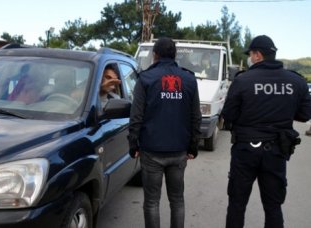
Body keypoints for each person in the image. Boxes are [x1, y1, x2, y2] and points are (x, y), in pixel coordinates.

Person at [221, 35, 311, 228]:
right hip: (277, 151)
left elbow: (228, 115)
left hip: (245, 150)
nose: (250, 58)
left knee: (237, 204)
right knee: (273, 207)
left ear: (258, 55)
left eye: (251, 54)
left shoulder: (243, 80)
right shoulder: (297, 82)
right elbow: (305, 115)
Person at [128, 37, 202, 228]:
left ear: (155, 55)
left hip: (152, 151)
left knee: (152, 201)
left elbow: (136, 116)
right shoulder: (189, 79)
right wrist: (193, 146)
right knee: (177, 200)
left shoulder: (145, 78)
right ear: (175, 55)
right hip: (179, 151)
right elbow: (196, 117)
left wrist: (133, 144)